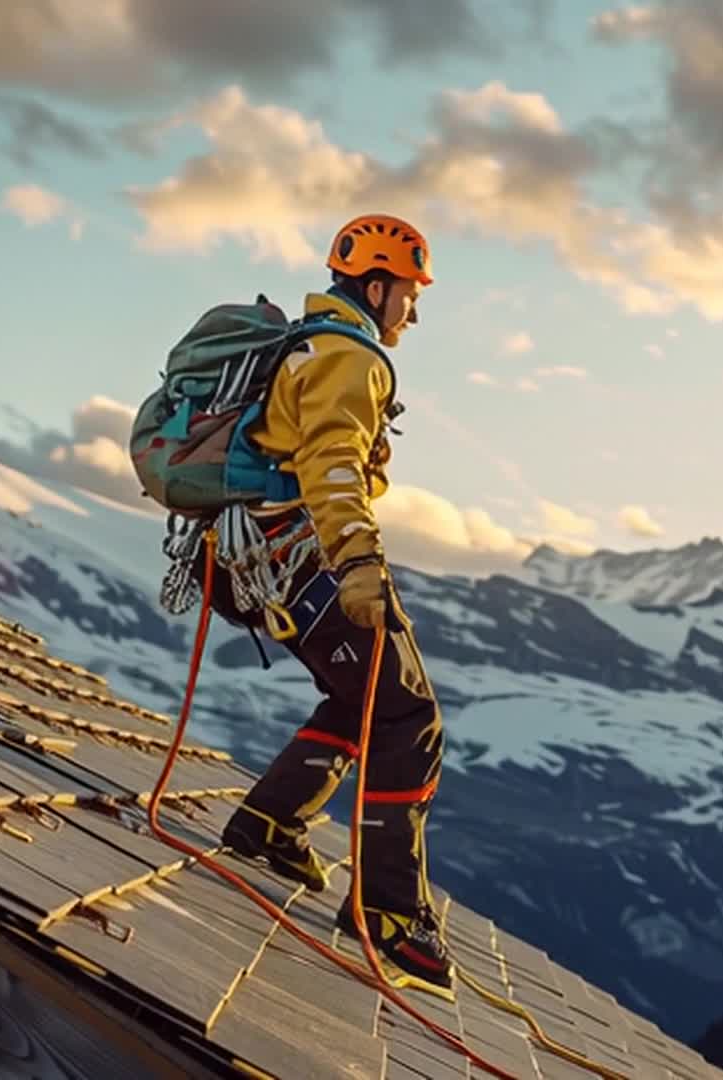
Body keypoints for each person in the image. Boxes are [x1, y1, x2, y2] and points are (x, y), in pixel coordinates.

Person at [211, 212, 453, 999]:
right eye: (408, 295)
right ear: (376, 287)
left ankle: (270, 822)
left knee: (366, 700)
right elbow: (333, 468)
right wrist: (358, 562)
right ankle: (385, 910)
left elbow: (319, 456)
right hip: (300, 557)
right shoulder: (352, 358)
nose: (412, 313)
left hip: (256, 557)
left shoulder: (314, 345)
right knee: (410, 716)